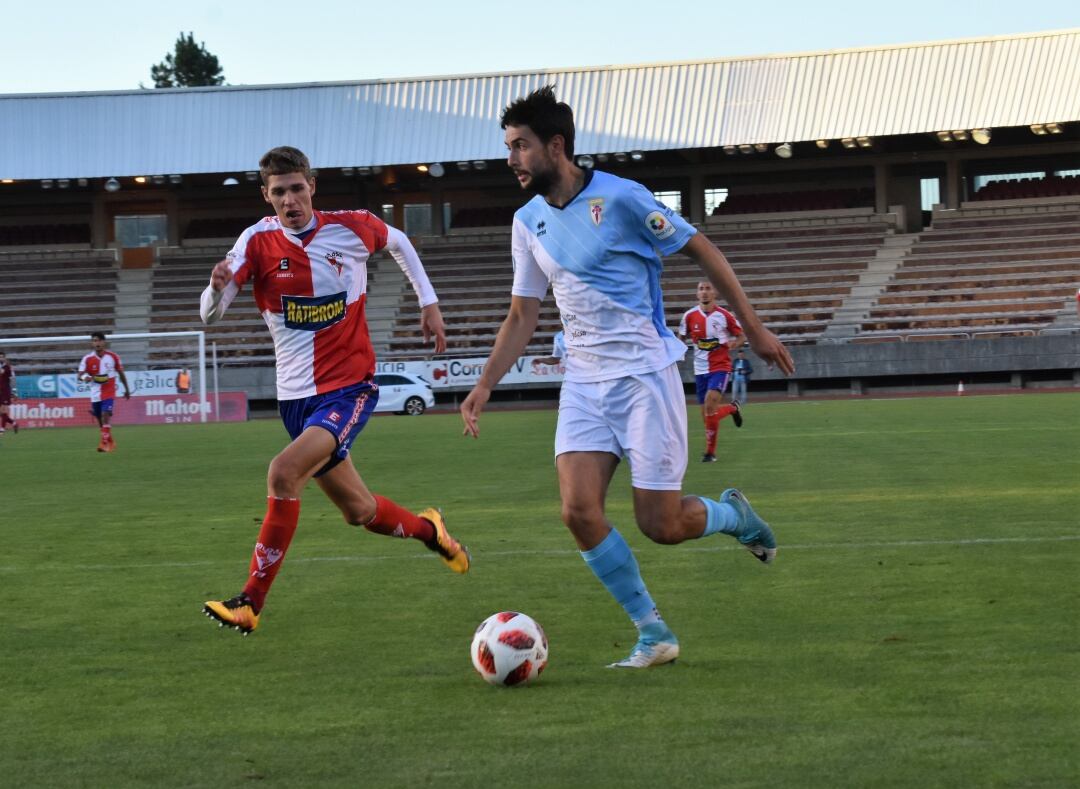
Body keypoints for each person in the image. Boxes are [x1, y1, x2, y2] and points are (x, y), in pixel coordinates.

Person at [460, 87, 795, 669]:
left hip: (645, 376)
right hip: (584, 382)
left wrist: (756, 329)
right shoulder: (527, 220)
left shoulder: (621, 198)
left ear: (556, 146)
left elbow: (703, 250)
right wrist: (486, 383)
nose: (510, 159)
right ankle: (653, 632)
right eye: (508, 146)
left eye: (520, 146)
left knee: (660, 526)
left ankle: (735, 515)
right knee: (578, 512)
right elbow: (523, 313)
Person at [199, 145, 469, 636]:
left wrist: (429, 303)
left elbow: (400, 242)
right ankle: (433, 532)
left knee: (283, 473)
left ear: (312, 187)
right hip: (296, 401)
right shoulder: (256, 243)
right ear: (267, 196)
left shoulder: (351, 226)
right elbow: (210, 316)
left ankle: (250, 603)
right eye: (278, 192)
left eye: (297, 188)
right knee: (359, 512)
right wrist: (217, 288)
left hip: (349, 389)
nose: (290, 200)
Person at [677, 281, 744, 462]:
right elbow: (680, 337)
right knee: (708, 416)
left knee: (709, 406)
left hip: (720, 367)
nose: (704, 292)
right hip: (700, 370)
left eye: (708, 288)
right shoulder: (689, 316)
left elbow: (741, 335)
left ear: (715, 293)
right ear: (697, 294)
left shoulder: (724, 316)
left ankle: (710, 453)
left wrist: (733, 344)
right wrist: (677, 351)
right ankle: (732, 408)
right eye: (701, 289)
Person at [77, 332, 130, 452]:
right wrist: (87, 378)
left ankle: (103, 443)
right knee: (101, 422)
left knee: (105, 415)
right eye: (94, 341)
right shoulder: (87, 359)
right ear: (92, 343)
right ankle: (111, 442)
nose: (97, 343)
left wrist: (127, 389)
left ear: (104, 342)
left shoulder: (113, 357)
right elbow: (79, 375)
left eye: (99, 340)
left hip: (109, 392)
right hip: (95, 394)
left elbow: (121, 373)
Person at [0, 350, 18, 434]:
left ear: (4, 358)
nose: (0, 358)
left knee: (4, 409)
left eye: (1, 357)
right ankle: (13, 423)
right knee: (1, 412)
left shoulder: (7, 367)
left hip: (5, 391)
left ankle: (2, 429)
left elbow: (12, 379)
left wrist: (14, 391)